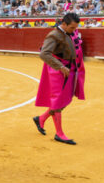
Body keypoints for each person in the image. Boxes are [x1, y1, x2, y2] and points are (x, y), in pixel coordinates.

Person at [33, 12, 85, 145]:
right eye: (72, 28)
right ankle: (59, 133)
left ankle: (41, 118)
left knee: (64, 100)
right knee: (58, 100)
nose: (74, 31)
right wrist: (60, 67)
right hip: (59, 72)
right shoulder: (54, 35)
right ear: (64, 24)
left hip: (68, 70)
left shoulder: (66, 33)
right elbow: (44, 54)